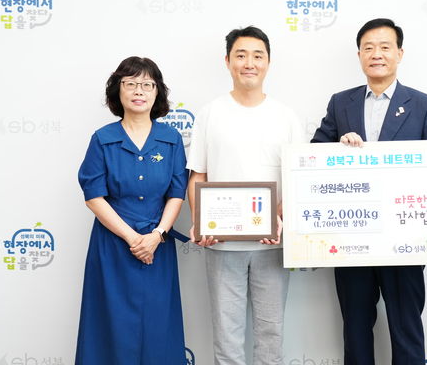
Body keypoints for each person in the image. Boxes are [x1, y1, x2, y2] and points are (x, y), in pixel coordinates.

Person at [311, 18, 427, 365]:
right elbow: (313, 159)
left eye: (385, 47)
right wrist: (338, 147)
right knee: (356, 328)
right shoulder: (340, 103)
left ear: (399, 54)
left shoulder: (425, 105)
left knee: (406, 329)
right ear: (359, 55)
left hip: (406, 239)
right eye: (368, 48)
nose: (377, 54)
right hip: (353, 239)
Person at [186, 26, 303, 365]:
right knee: (227, 338)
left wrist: (278, 217)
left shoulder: (286, 116)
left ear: (268, 62)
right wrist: (201, 221)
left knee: (271, 336)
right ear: (227, 61)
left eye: (257, 56)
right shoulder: (210, 113)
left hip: (273, 245)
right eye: (241, 55)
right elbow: (198, 175)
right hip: (221, 245)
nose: (249, 63)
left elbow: (297, 179)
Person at [76, 56, 189, 364]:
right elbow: (93, 196)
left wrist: (157, 234)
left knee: (157, 324)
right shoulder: (103, 139)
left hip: (157, 245)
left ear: (157, 92)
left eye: (147, 84)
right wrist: (133, 238)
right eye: (131, 84)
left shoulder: (171, 139)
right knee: (111, 325)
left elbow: (177, 193)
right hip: (112, 246)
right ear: (118, 90)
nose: (139, 91)